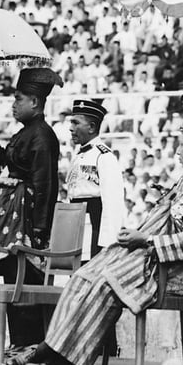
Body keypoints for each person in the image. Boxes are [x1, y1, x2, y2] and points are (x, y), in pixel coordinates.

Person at [14, 111, 183, 365]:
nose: (177, 152)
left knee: (106, 281)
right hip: (159, 259)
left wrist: (146, 239)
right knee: (86, 274)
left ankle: (50, 353)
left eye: (181, 145)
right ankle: (59, 357)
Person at [0, 67, 62, 349]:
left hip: (27, 222)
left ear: (34, 102)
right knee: (12, 277)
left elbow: (45, 187)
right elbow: (7, 168)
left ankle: (29, 344)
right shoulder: (26, 134)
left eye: (18, 99)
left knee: (25, 280)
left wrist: (41, 230)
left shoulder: (42, 136)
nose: (13, 104)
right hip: (11, 220)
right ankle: (20, 342)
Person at [65, 99, 125, 257]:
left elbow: (113, 202)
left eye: (76, 123)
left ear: (91, 127)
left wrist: (109, 242)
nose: (71, 128)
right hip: (76, 224)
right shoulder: (79, 155)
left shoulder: (104, 156)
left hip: (94, 227)